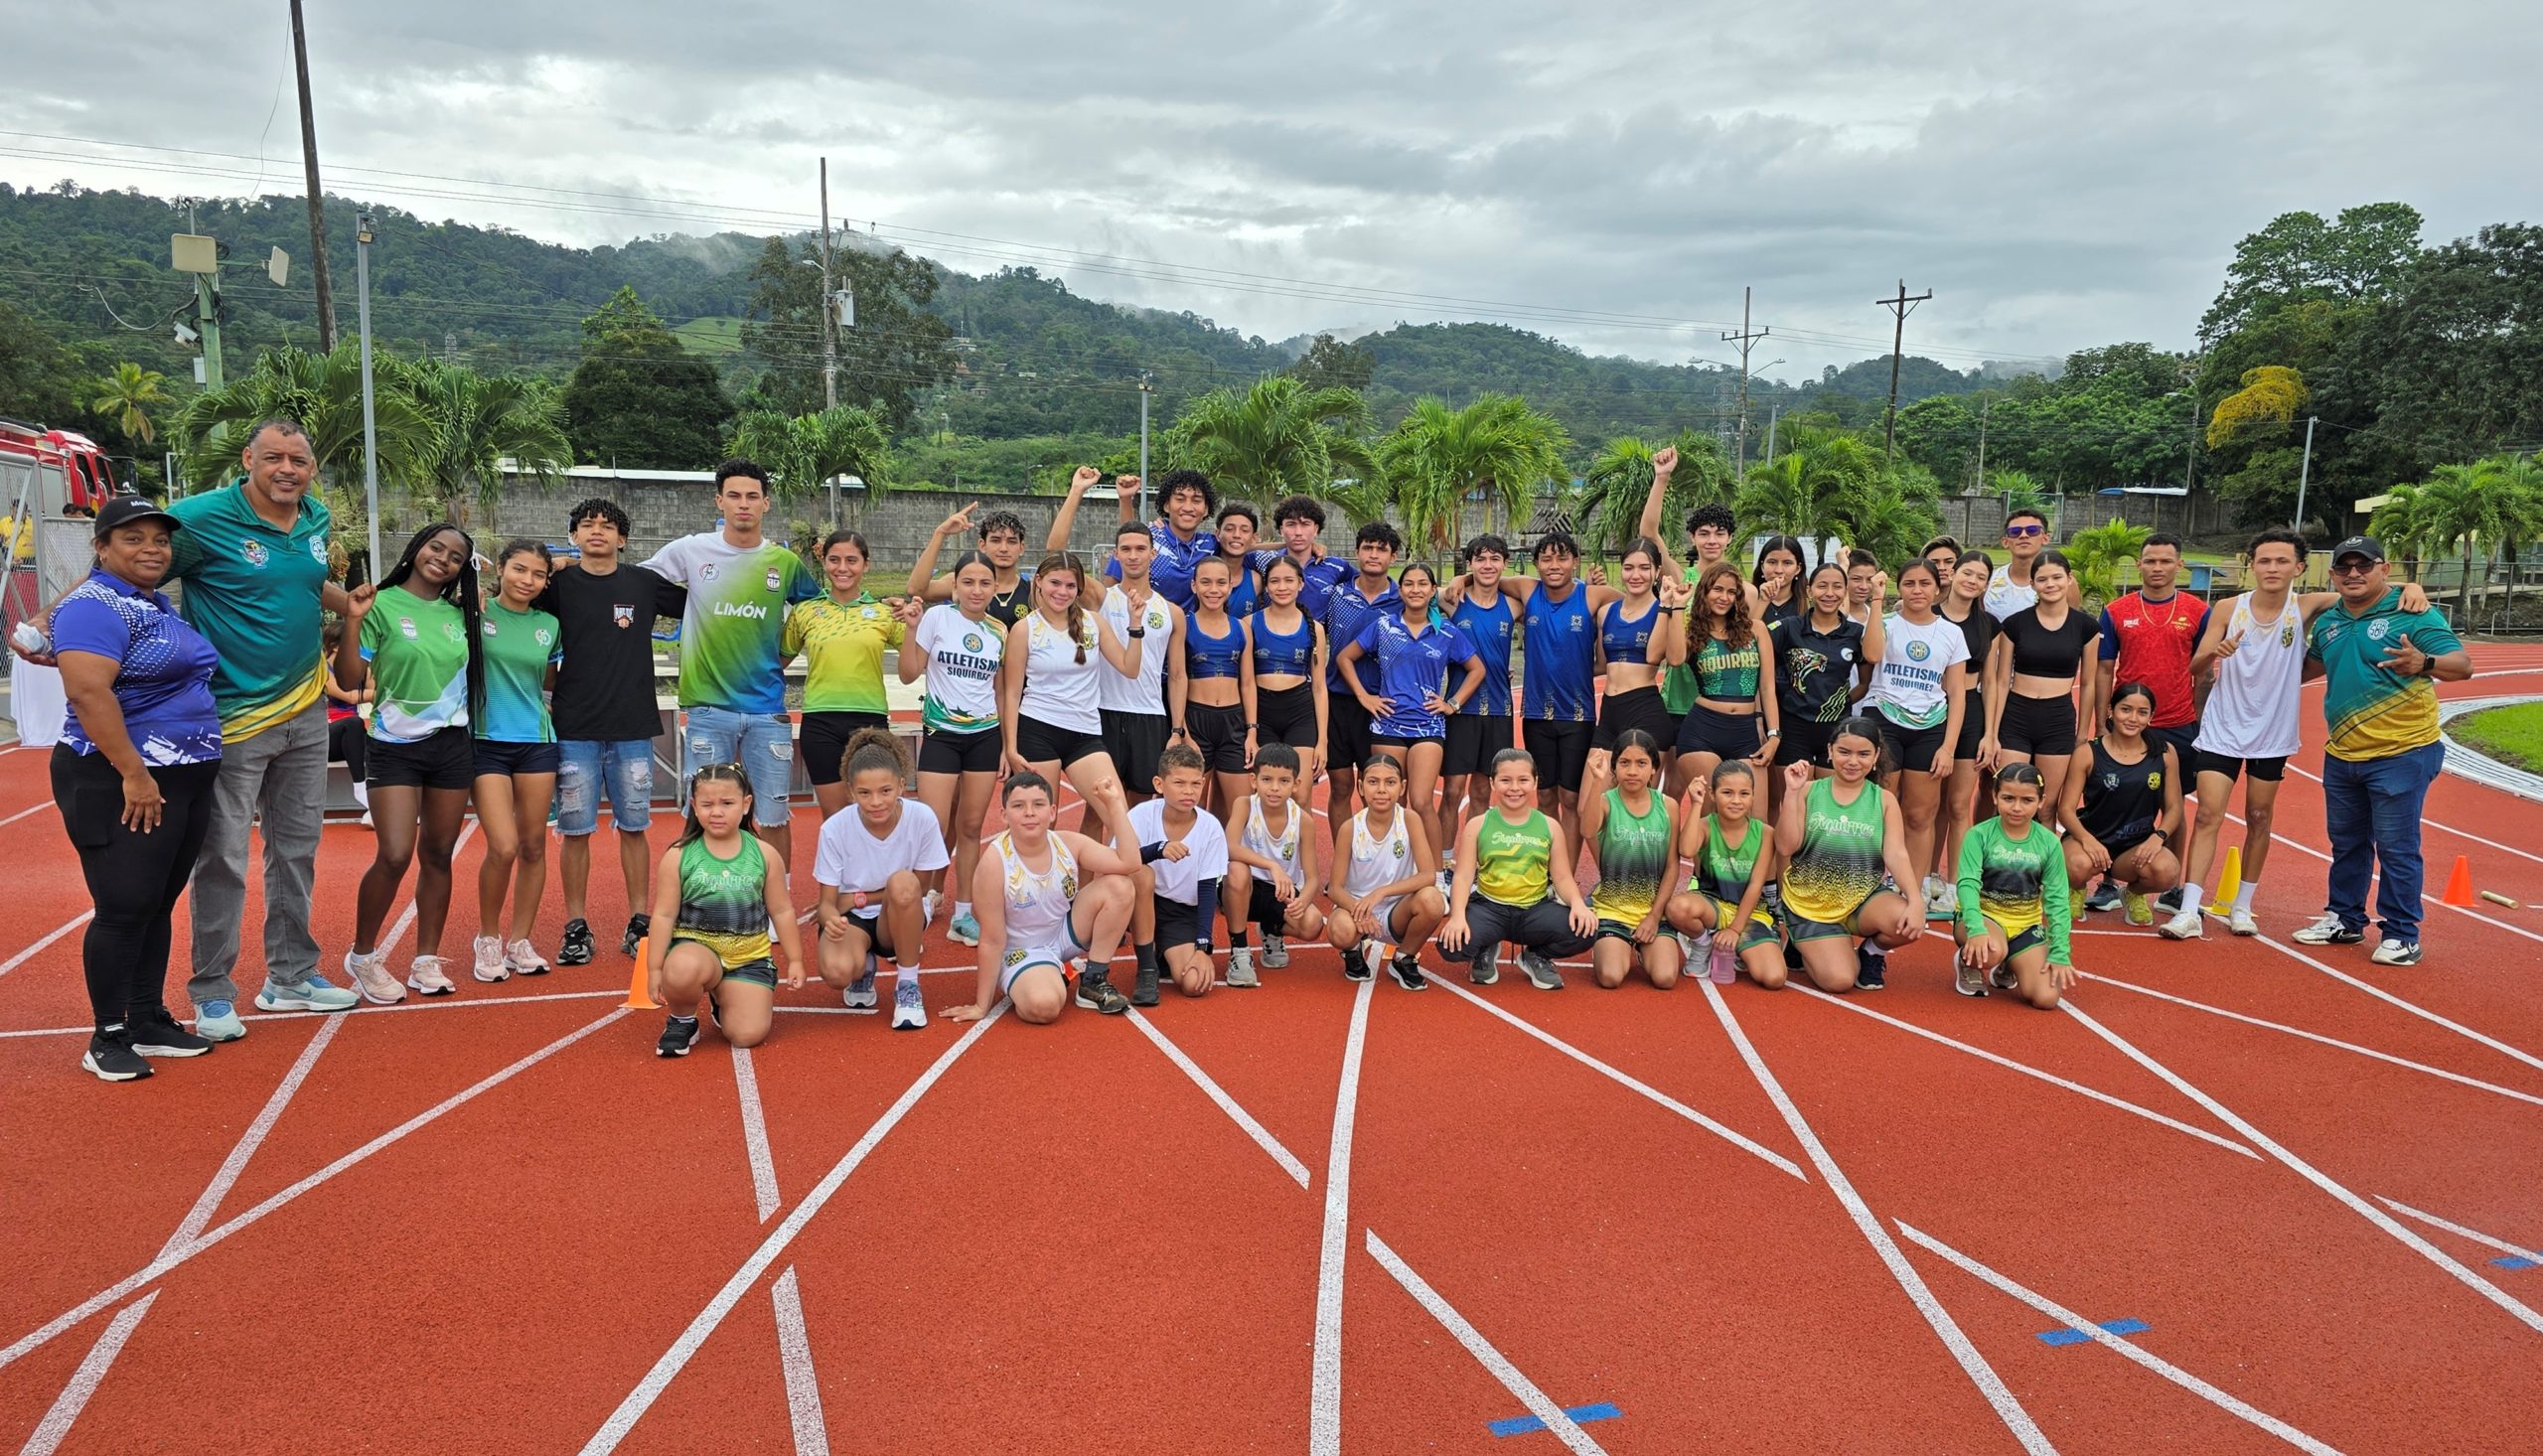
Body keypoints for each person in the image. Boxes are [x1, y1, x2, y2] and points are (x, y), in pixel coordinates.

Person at [164, 420, 358, 1035]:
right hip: (231, 718)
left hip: (306, 712)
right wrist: (50, 619)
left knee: (296, 850)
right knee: (222, 856)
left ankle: (290, 976)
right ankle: (212, 991)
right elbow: (127, 567)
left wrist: (350, 605)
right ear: (247, 458)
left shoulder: (315, 519)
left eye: (298, 460)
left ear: (312, 468)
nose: (286, 469)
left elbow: (304, 581)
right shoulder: (198, 518)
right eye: (273, 457)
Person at [2164, 533, 2429, 941]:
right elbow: (2195, 664)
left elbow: (2363, 588)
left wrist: (2410, 587)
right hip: (2223, 728)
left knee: (2258, 817)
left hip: (2272, 731)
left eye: (2282, 561)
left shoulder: (2306, 606)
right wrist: (2217, 652)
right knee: (2206, 815)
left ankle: (2242, 906)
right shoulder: (2229, 608)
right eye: (2264, 560)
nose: (2272, 568)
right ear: (2251, 565)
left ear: (2299, 568)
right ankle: (2188, 911)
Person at [49, 497, 225, 1080]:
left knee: (156, 903)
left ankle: (147, 1016)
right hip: (120, 778)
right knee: (124, 907)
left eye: (160, 539)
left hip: (182, 777)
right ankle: (107, 1035)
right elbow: (88, 693)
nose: (152, 549)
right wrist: (133, 773)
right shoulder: (91, 605)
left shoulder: (153, 604)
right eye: (133, 538)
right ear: (101, 548)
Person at [2295, 535, 2470, 965]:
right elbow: (2304, 670)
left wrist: (2425, 663)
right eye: (2344, 567)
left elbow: (2463, 667)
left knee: (2396, 847)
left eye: (2364, 565)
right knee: (2347, 843)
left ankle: (2402, 934)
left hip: (2402, 751)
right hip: (2343, 753)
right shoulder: (2330, 621)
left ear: (2384, 569)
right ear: (2333, 574)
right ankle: (2345, 918)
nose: (2353, 573)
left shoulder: (2412, 612)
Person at [643, 459, 822, 880]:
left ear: (766, 504)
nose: (744, 504)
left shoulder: (784, 562)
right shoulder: (691, 550)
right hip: (708, 709)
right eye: (735, 496)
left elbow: (815, 614)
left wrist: (782, 657)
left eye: (752, 496)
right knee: (704, 811)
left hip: (767, 710)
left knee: (773, 815)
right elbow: (633, 582)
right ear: (719, 501)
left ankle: (775, 896)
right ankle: (701, 892)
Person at [539, 498, 686, 967]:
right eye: (587, 525)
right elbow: (513, 599)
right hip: (575, 727)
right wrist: (550, 567)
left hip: (631, 727)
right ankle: (576, 926)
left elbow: (702, 604)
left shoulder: (643, 582)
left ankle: (640, 921)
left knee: (635, 828)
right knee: (574, 830)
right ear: (574, 536)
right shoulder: (558, 585)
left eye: (607, 526)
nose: (597, 531)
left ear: (622, 539)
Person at [338, 524, 483, 1001]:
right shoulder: (379, 603)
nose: (443, 559)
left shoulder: (460, 615)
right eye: (436, 547)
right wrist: (354, 620)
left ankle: (426, 959)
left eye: (456, 556)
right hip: (393, 746)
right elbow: (349, 678)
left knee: (438, 854)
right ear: (417, 549)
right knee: (396, 853)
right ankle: (362, 955)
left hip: (451, 745)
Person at [1459, 532, 1625, 847]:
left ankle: (1568, 871)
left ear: (1575, 561)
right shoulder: (1527, 589)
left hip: (1577, 715)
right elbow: (1488, 575)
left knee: (1571, 799)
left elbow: (1634, 601)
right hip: (1536, 714)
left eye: (1562, 558)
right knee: (1546, 796)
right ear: (1536, 563)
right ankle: (1552, 864)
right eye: (1546, 559)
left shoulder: (1593, 595)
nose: (1554, 565)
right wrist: (1460, 579)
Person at [948, 772, 1140, 1024]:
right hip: (1021, 950)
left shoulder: (1068, 843)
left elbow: (1130, 862)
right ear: (1004, 814)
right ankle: (1040, 975)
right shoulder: (994, 864)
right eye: (1019, 806)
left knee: (1120, 886)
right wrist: (981, 1006)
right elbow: (992, 940)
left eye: (1038, 805)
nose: (1029, 813)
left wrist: (1114, 804)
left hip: (1063, 932)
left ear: (1052, 812)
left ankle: (1093, 980)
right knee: (1044, 1007)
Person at [648, 763, 809, 1057]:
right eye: (707, 804)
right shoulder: (679, 855)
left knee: (746, 1035)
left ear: (746, 804)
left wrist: (796, 959)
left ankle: (724, 998)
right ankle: (682, 1020)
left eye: (727, 803)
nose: (717, 812)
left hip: (748, 957)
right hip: (697, 950)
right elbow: (664, 915)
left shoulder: (764, 854)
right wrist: (655, 968)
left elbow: (782, 911)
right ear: (694, 807)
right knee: (682, 970)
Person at [1336, 561, 1485, 860]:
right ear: (1400, 591)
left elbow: (1477, 669)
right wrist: (1365, 697)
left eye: (1422, 584)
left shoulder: (1446, 632)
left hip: (1428, 726)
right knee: (1391, 802)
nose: (1415, 590)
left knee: (1420, 801)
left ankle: (1435, 871)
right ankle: (1389, 867)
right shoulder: (1384, 626)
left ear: (1432, 591)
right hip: (1387, 725)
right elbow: (1344, 658)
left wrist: (1452, 704)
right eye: (1409, 584)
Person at [998, 553, 1143, 858]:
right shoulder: (1025, 629)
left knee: (1119, 818)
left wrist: (1135, 625)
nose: (1062, 592)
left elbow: (1129, 668)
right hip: (1037, 731)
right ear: (1038, 581)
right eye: (1055, 583)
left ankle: (1094, 885)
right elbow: (1012, 693)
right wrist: (1010, 747)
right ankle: (1027, 885)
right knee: (1039, 825)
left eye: (1070, 586)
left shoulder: (1094, 623)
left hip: (1084, 734)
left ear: (1079, 589)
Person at [901, 551, 1005, 948]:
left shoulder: (1000, 631)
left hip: (984, 736)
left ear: (995, 588)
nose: (976, 590)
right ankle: (913, 910)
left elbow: (1000, 690)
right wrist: (911, 629)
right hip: (942, 734)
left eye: (984, 583)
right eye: (968, 582)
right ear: (955, 585)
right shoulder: (936, 618)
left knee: (972, 827)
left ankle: (962, 914)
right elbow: (909, 673)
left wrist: (1005, 744)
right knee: (931, 826)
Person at [812, 728, 948, 1031]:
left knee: (903, 884)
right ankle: (863, 966)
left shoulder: (922, 818)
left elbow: (920, 889)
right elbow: (827, 905)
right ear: (850, 792)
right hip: (854, 921)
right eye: (864, 793)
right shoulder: (834, 829)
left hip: (899, 914)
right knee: (836, 972)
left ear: (901, 785)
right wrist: (831, 919)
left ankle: (908, 986)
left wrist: (859, 898)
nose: (876, 801)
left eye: (885, 791)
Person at [471, 539, 563, 982]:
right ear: (501, 569)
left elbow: (549, 681)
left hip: (536, 741)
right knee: (503, 846)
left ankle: (519, 941)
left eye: (538, 574)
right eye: (519, 569)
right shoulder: (475, 612)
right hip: (486, 740)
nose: (528, 580)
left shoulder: (550, 625)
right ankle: (487, 937)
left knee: (533, 847)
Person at [1777, 716, 1924, 991]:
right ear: (1830, 751)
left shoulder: (1884, 800)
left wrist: (1915, 900)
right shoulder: (1807, 791)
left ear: (1876, 756)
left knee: (1906, 921)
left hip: (1861, 900)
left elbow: (1896, 854)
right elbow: (1785, 847)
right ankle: (1802, 942)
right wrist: (1791, 793)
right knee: (1840, 981)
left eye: (1863, 754)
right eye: (1844, 752)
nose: (1853, 761)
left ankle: (1871, 952)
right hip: (1810, 905)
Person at [1440, 748, 1597, 989]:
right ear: (1492, 783)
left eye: (1523, 780)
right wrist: (1458, 916)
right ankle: (1485, 947)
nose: (1514, 788)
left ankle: (1535, 955)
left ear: (1535, 782)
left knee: (1586, 930)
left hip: (1535, 909)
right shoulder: (1478, 824)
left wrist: (1577, 904)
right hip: (1490, 907)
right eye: (1505, 780)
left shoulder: (1549, 826)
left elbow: (1562, 876)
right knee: (1451, 946)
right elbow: (1462, 877)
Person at [1865, 558, 1969, 918]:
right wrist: (1877, 600)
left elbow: (1957, 693)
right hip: (1884, 719)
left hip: (1930, 727)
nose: (1917, 590)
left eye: (1925, 583)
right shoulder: (1885, 623)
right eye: (1909, 583)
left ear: (1938, 589)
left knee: (1920, 815)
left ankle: (1917, 886)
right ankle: (1873, 882)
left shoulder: (1951, 633)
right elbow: (1872, 655)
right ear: (1899, 587)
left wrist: (1949, 747)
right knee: (1880, 808)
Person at [1980, 548, 2094, 865]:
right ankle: (1997, 870)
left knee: (2046, 806)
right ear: (2032, 584)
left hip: (2058, 720)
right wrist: (1993, 732)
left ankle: (2042, 876)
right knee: (2006, 800)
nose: (2050, 584)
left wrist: (2082, 734)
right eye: (2042, 579)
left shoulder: (2085, 627)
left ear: (2069, 579)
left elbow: (2088, 683)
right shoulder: (2015, 624)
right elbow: (2000, 680)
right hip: (2016, 717)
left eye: (2057, 577)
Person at [785, 528, 905, 822]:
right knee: (835, 816)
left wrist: (914, 618)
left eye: (852, 560)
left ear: (866, 564)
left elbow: (919, 657)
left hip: (870, 721)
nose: (842, 568)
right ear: (824, 561)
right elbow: (777, 661)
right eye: (834, 560)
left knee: (873, 811)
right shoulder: (805, 611)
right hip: (820, 722)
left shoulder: (885, 613)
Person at [1951, 762, 2078, 1007]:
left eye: (2027, 800)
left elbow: (2057, 899)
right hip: (1984, 917)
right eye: (2008, 798)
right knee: (1991, 950)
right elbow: (1967, 884)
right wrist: (1975, 929)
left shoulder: (2050, 843)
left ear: (2041, 801)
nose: (2017, 807)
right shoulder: (1978, 835)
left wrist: (2060, 951)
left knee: (2046, 998)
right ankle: (1968, 962)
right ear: (1994, 796)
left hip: (2025, 925)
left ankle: (2009, 964)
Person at [1764, 562, 1881, 824]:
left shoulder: (1855, 633)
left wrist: (1837, 703)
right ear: (1809, 590)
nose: (1830, 593)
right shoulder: (1789, 627)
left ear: (1845, 591)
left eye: (1837, 586)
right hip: (1793, 728)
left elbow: (1864, 681)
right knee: (1793, 806)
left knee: (1828, 809)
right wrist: (1762, 601)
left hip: (1837, 730)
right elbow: (1753, 640)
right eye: (1822, 586)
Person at [2060, 681, 2183, 926]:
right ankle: (2076, 889)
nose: (2133, 718)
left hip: (2133, 848)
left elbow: (2174, 808)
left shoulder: (2164, 752)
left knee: (2167, 871)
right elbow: (2065, 810)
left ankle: (2133, 894)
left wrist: (2158, 837)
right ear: (2110, 710)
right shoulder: (2088, 752)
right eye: (2125, 709)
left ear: (2151, 716)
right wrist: (2087, 840)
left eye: (2142, 712)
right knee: (2076, 865)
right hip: (2090, 841)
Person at [1324, 752, 1448, 990]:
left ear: (1402, 787)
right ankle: (1352, 950)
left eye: (1390, 782)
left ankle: (1404, 958)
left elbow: (1428, 875)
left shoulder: (1409, 820)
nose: (1381, 790)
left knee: (1433, 900)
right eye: (1373, 782)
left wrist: (1381, 893)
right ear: (1361, 787)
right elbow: (1335, 889)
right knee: (1339, 929)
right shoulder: (1350, 828)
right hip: (1358, 909)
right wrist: (1359, 911)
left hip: (1397, 910)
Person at [2085, 533, 2208, 774]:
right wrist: (2101, 724)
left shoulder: (2199, 612)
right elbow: (2104, 670)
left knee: (2178, 793)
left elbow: (2204, 674)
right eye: (2150, 561)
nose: (2157, 568)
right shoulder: (2115, 611)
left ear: (2179, 565)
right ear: (2139, 564)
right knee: (2125, 792)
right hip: (2127, 721)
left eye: (2166, 561)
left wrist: (2200, 724)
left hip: (2180, 723)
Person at [1665, 760, 1786, 989]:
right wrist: (1696, 804)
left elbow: (1756, 885)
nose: (1736, 800)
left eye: (1744, 794)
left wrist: (1734, 929)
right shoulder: (1705, 826)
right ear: (1712, 794)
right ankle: (1703, 943)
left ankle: (1738, 945)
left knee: (1774, 978)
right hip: (1712, 906)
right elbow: (1687, 850)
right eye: (1727, 793)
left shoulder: (1765, 833)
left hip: (1751, 914)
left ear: (1753, 796)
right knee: (1677, 908)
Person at [1318, 521, 1406, 828]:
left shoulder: (1403, 599)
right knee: (1342, 786)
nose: (1373, 554)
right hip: (1338, 701)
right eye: (1367, 548)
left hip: (1384, 705)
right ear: (1357, 552)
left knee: (1381, 790)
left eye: (1381, 549)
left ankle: (1383, 855)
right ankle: (1345, 855)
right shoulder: (1335, 594)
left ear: (1393, 557)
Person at [1128, 741, 1231, 1003]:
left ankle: (1163, 951)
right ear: (1159, 784)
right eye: (1179, 783)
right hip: (1140, 902)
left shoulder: (1210, 827)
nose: (1188, 791)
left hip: (1180, 914)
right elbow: (1117, 861)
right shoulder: (1141, 815)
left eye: (1196, 784)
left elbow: (1207, 890)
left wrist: (1202, 947)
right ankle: (1147, 968)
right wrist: (1157, 850)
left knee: (1194, 983)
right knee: (1141, 874)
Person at [1578, 736, 1683, 989]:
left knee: (1665, 978)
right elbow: (1587, 830)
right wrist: (1596, 781)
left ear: (1654, 768)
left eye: (1641, 763)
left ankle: (1642, 950)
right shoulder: (1606, 802)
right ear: (1614, 768)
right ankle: (1608, 945)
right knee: (1611, 977)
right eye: (1624, 763)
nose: (1633, 771)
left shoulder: (1668, 806)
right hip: (1613, 909)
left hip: (1652, 910)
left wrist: (1654, 917)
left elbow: (1672, 865)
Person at [1439, 534, 1520, 864]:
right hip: (1461, 708)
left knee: (1483, 791)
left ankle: (1471, 862)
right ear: (1470, 563)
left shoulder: (1513, 605)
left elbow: (1543, 588)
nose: (1488, 565)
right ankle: (1443, 861)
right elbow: (1419, 590)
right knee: (1452, 789)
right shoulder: (1452, 601)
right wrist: (1461, 580)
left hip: (1499, 708)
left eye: (1495, 559)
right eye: (1481, 559)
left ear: (1505, 563)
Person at [1222, 741, 1327, 986]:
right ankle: (1239, 951)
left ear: (1296, 784)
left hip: (1280, 892)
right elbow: (1229, 847)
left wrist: (1302, 901)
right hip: (1243, 889)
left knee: (1312, 924)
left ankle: (1271, 929)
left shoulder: (1303, 821)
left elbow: (1312, 877)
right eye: (1267, 780)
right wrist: (1272, 865)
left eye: (1284, 781)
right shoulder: (1244, 805)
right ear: (1253, 780)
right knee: (1236, 869)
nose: (1275, 788)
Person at [1672, 560, 1780, 794]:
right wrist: (1678, 606)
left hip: (1745, 732)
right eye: (1717, 589)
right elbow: (1674, 659)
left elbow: (1767, 687)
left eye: (1731, 592)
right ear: (1704, 592)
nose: (1724, 597)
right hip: (1702, 731)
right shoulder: (1691, 633)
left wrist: (1774, 735)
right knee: (1712, 809)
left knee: (1754, 813)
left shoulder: (1756, 629)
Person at [1933, 550, 1998, 917]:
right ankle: (1928, 878)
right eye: (1967, 573)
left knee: (1958, 804)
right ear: (1953, 572)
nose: (1972, 581)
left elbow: (1991, 681)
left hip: (1970, 710)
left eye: (1981, 577)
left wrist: (1990, 733)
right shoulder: (1930, 614)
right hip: (1930, 709)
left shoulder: (1989, 625)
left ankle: (1957, 884)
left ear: (1986, 584)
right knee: (1929, 805)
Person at [1172, 555, 1255, 816]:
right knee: (1189, 806)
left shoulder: (1242, 628)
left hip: (1233, 723)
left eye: (1221, 583)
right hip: (1197, 721)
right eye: (1206, 582)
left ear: (1230, 586)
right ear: (1194, 585)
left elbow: (1248, 683)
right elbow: (1177, 678)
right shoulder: (1184, 625)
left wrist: (1251, 731)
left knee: (1241, 808)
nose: (1213, 589)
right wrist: (1182, 731)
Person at [1589, 538, 1685, 761]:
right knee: (1592, 783)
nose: (1635, 575)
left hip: (1644, 711)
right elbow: (1600, 666)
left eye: (1644, 568)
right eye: (1628, 568)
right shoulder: (1606, 612)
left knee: (1635, 784)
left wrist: (1666, 605)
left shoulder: (1663, 610)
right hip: (1609, 712)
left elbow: (1657, 658)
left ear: (1657, 571)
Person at [1244, 555, 1328, 786]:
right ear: (1266, 586)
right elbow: (1246, 682)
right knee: (1264, 789)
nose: (1282, 587)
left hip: (1299, 711)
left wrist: (1322, 740)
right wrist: (1251, 730)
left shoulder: (1315, 629)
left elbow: (1319, 687)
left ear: (1301, 584)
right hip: (1261, 711)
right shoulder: (1249, 624)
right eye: (1275, 581)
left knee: (1300, 790)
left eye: (1289, 580)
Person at [908, 503, 1035, 626]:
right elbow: (915, 590)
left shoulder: (1033, 592)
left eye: (1011, 542)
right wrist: (940, 533)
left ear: (1022, 547)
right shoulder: (963, 582)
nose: (1003, 548)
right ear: (982, 545)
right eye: (996, 540)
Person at [1110, 468, 1218, 609]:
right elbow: (1111, 588)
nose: (1188, 507)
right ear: (1167, 505)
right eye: (1180, 499)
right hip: (1144, 620)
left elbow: (1240, 543)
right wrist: (1125, 499)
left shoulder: (1212, 545)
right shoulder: (1148, 539)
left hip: (1191, 623)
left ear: (1206, 509)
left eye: (1196, 500)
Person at [1262, 495, 1353, 618]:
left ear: (1316, 529)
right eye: (1291, 524)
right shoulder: (1265, 561)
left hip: (1318, 630)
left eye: (1305, 524)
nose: (1298, 532)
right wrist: (1287, 543)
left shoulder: (1337, 567)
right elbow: (1239, 549)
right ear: (1281, 530)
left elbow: (1367, 584)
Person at [321, 620, 371, 820]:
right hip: (327, 738)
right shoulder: (322, 669)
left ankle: (394, 803)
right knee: (353, 723)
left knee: (385, 738)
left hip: (351, 740)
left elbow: (377, 688)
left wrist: (369, 667)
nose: (357, 647)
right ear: (335, 646)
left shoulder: (358, 668)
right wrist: (384, 692)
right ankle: (360, 787)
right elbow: (349, 697)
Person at [1985, 509, 2049, 620]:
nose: (2023, 535)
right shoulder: (1989, 580)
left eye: (2032, 530)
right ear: (2005, 542)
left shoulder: (2060, 583)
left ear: (2045, 538)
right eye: (2015, 532)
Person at [1209, 501, 1267, 619]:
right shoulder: (1201, 572)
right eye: (1229, 529)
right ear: (1218, 534)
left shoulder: (1256, 580)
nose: (1236, 535)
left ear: (1254, 538)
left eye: (1244, 530)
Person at [1752, 535, 1807, 631]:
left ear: (1798, 569)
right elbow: (1747, 636)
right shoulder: (1746, 598)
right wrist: (1763, 601)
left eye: (1787, 563)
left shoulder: (1808, 604)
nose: (1778, 570)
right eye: (1772, 562)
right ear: (1762, 566)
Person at [1843, 549, 1884, 625]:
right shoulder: (1830, 617)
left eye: (1870, 579)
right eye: (1856, 579)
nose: (1864, 587)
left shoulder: (1880, 619)